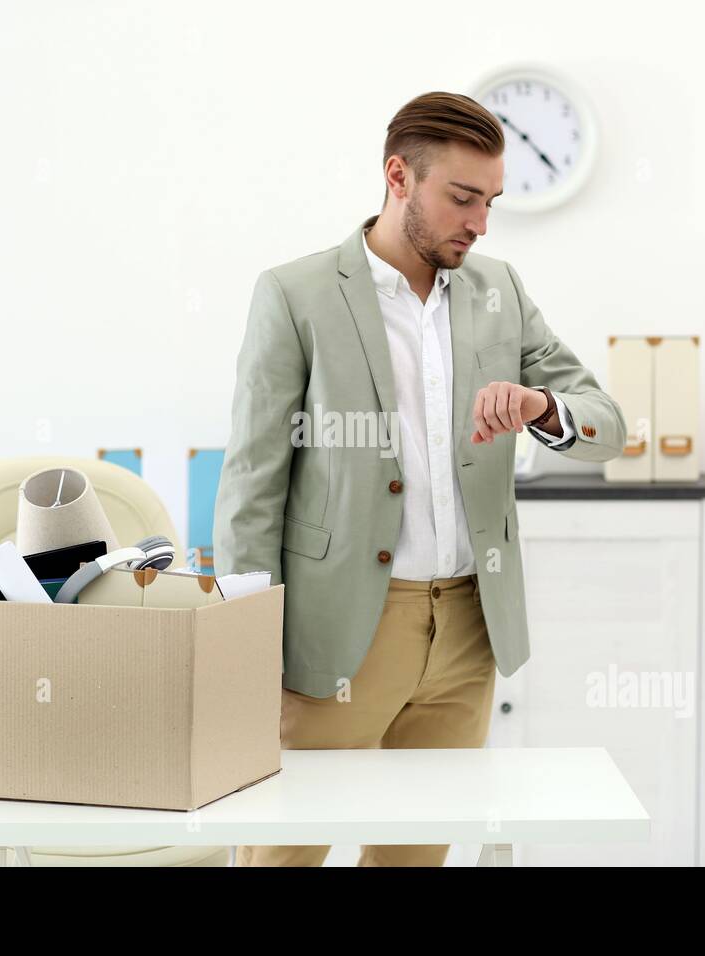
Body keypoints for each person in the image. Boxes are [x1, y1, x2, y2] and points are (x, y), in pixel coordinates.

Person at [213, 91, 626, 866]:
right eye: (462, 198)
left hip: (468, 633)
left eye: (491, 202)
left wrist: (540, 406)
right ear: (398, 176)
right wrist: (244, 656)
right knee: (282, 856)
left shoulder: (499, 290)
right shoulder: (296, 294)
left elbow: (608, 426)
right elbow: (251, 486)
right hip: (338, 636)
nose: (478, 223)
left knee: (415, 859)